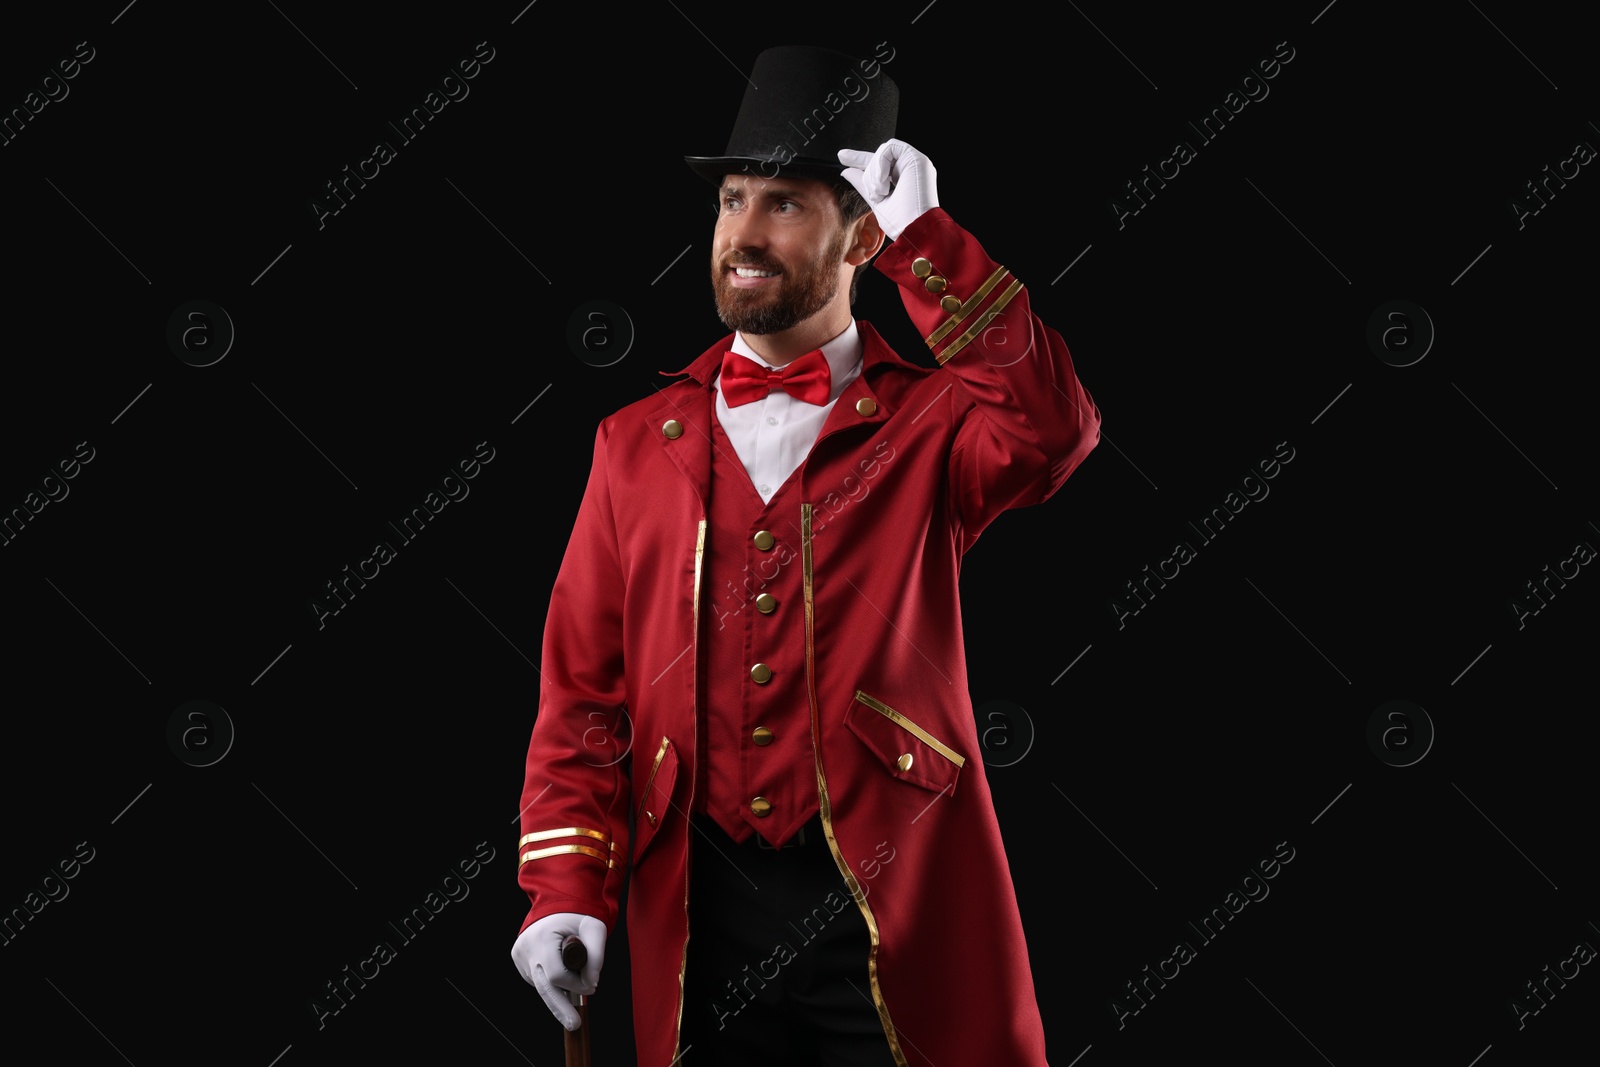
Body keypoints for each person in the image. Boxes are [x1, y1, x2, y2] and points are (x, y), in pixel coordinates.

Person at [510, 44, 1100, 1066]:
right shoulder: (630, 442)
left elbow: (1054, 427)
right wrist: (563, 887)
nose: (742, 234)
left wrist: (933, 242)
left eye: (784, 204)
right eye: (732, 199)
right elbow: (584, 695)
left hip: (887, 890)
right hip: (688, 902)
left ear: (860, 233)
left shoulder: (934, 422)